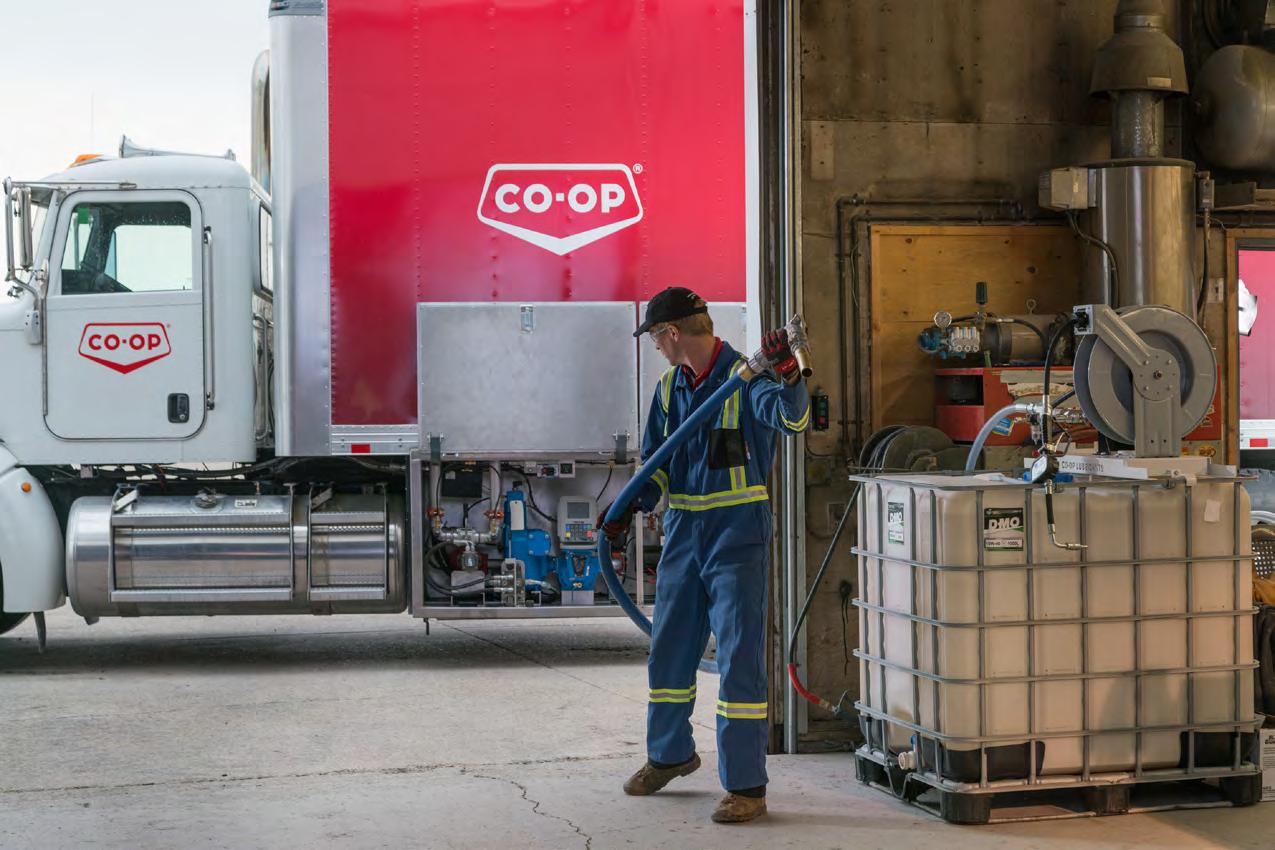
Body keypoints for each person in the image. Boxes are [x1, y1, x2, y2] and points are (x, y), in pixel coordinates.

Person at [600, 286, 810, 824]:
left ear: (672, 333)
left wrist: (790, 374)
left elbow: (792, 421)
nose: (655, 347)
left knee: (738, 657)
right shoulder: (669, 388)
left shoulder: (747, 379)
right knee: (669, 649)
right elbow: (658, 461)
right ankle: (669, 755)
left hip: (736, 535)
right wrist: (629, 507)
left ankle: (746, 785)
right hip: (682, 534)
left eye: (655, 337)